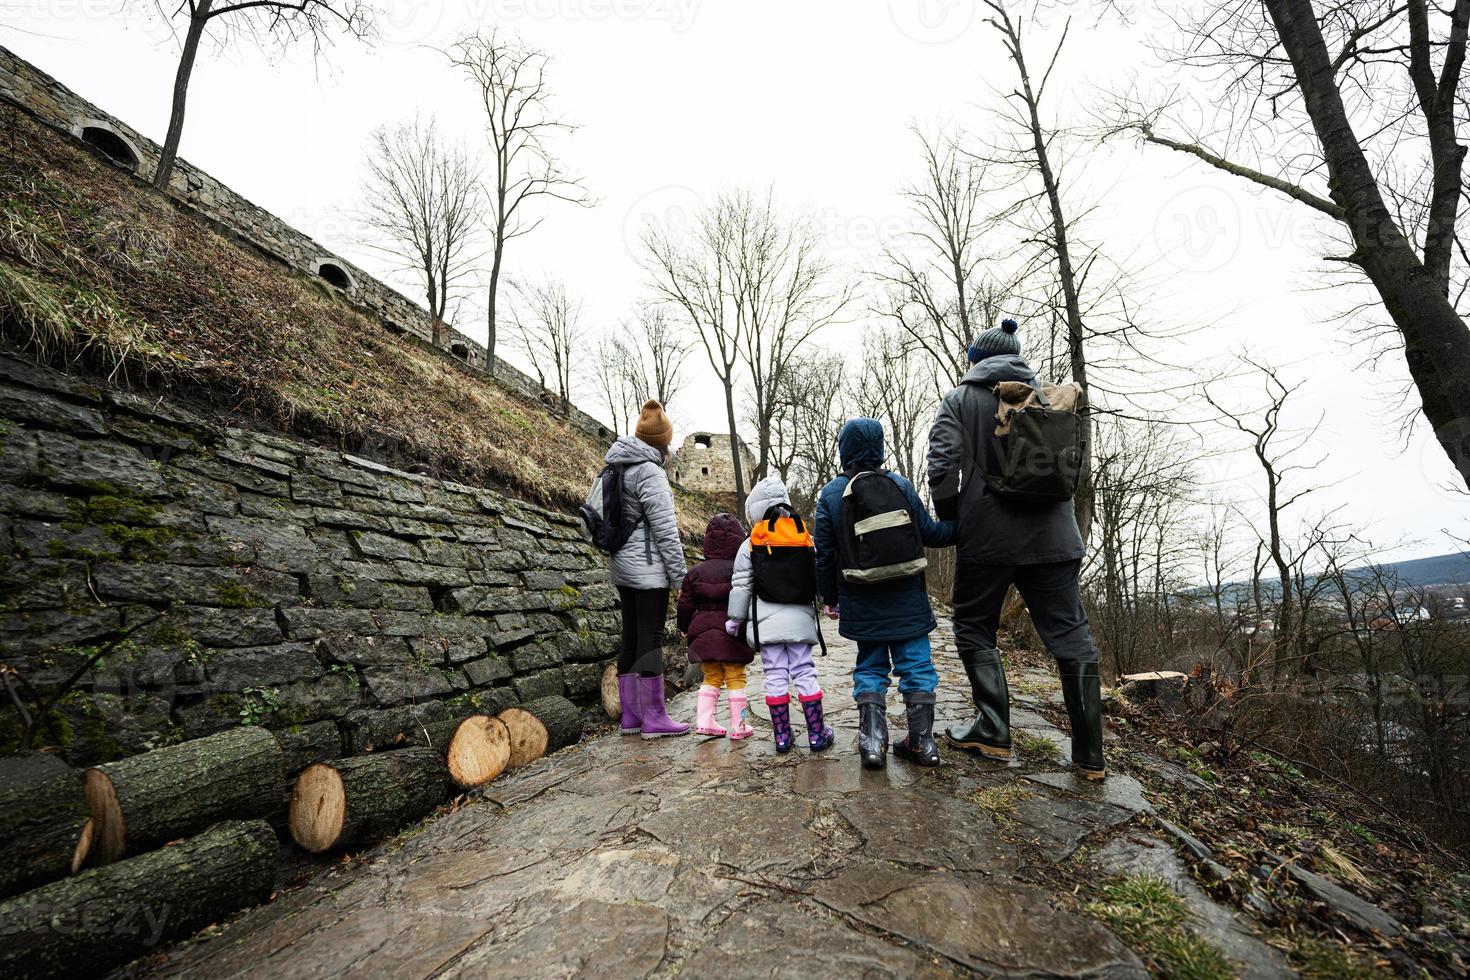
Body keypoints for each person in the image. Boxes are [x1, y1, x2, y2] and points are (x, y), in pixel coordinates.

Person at [926, 318, 1107, 779]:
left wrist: (952, 515)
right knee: (1071, 636)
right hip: (1055, 538)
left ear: (975, 360)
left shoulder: (961, 399)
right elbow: (1074, 467)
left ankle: (993, 731)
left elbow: (942, 465)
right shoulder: (1049, 398)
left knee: (972, 626)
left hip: (987, 539)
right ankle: (1089, 756)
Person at [813, 418, 955, 769]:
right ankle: (923, 743)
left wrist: (829, 597)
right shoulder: (900, 484)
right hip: (908, 596)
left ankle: (872, 744)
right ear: (880, 449)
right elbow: (930, 533)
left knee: (871, 667)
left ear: (844, 451)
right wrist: (964, 526)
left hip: (861, 598)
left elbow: (824, 556)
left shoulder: (831, 494)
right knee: (918, 665)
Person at [726, 476, 834, 754]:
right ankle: (817, 735)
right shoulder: (803, 535)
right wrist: (829, 602)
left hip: (766, 625)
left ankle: (783, 738)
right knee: (804, 672)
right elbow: (818, 573)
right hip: (800, 622)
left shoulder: (751, 542)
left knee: (774, 675)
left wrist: (735, 619)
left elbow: (741, 584)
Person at [606, 400, 689, 739]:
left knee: (630, 635)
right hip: (648, 569)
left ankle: (631, 717)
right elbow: (666, 531)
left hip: (622, 566)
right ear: (662, 441)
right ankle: (655, 717)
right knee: (650, 637)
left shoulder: (617, 466)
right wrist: (681, 578)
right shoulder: (650, 472)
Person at [676, 512, 756, 739]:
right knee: (735, 676)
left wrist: (683, 626)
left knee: (710, 676)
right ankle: (738, 726)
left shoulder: (694, 572)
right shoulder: (740, 571)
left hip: (703, 632)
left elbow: (685, 604)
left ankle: (704, 721)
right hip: (733, 633)